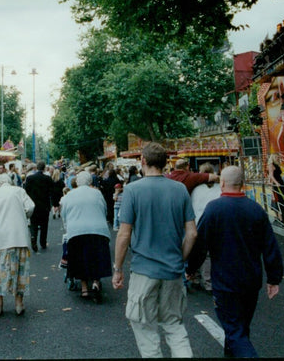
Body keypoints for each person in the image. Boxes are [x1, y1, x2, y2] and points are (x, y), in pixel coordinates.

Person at [186, 165, 284, 358]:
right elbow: (270, 247)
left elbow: (200, 244)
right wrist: (274, 278)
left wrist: (191, 268)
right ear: (242, 184)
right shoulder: (256, 209)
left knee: (234, 331)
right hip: (251, 279)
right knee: (241, 329)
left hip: (225, 281)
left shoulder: (214, 209)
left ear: (222, 183)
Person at [113, 142, 197, 358]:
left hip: (144, 270)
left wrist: (118, 268)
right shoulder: (180, 190)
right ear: (165, 163)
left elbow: (124, 235)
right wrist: (181, 257)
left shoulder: (132, 190)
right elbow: (192, 233)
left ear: (143, 161)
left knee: (145, 328)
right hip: (173, 271)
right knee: (174, 325)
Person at [0, 173, 35, 317]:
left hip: (0, 237)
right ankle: (19, 304)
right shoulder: (19, 191)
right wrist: (23, 215)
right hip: (18, 236)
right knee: (20, 270)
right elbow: (31, 207)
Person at [60, 171, 113, 303]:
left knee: (80, 259)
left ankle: (84, 289)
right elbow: (104, 209)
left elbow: (64, 213)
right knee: (96, 256)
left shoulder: (70, 195)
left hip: (77, 231)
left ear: (77, 182)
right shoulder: (97, 193)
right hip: (98, 229)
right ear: (90, 181)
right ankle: (95, 282)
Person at [189, 162, 221, 292]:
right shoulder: (219, 188)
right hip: (214, 225)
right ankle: (208, 281)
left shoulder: (195, 189)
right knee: (208, 255)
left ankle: (195, 278)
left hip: (196, 223)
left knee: (195, 251)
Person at [24, 161, 54, 251]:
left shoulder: (30, 178)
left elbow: (26, 191)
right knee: (44, 225)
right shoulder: (47, 178)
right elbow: (51, 191)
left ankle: (33, 237)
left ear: (36, 168)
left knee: (34, 223)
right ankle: (43, 242)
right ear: (44, 168)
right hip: (44, 205)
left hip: (33, 205)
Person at [267, 153, 284, 224]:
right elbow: (271, 176)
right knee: (280, 201)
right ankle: (281, 219)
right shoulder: (271, 165)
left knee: (282, 201)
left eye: (278, 157)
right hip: (277, 184)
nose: (277, 158)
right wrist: (276, 183)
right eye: (276, 157)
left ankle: (282, 219)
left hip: (280, 183)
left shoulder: (277, 165)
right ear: (272, 158)